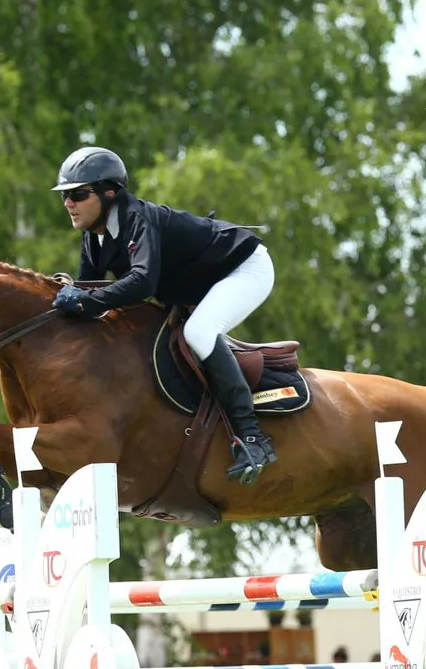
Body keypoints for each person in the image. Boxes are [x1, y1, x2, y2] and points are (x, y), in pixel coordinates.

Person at [49, 146, 278, 484]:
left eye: (78, 194)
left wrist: (84, 301)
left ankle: (254, 438)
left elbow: (141, 283)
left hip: (244, 269)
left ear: (109, 193)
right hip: (200, 285)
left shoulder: (136, 218)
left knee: (198, 333)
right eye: (66, 195)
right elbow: (89, 289)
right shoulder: (93, 238)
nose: (68, 203)